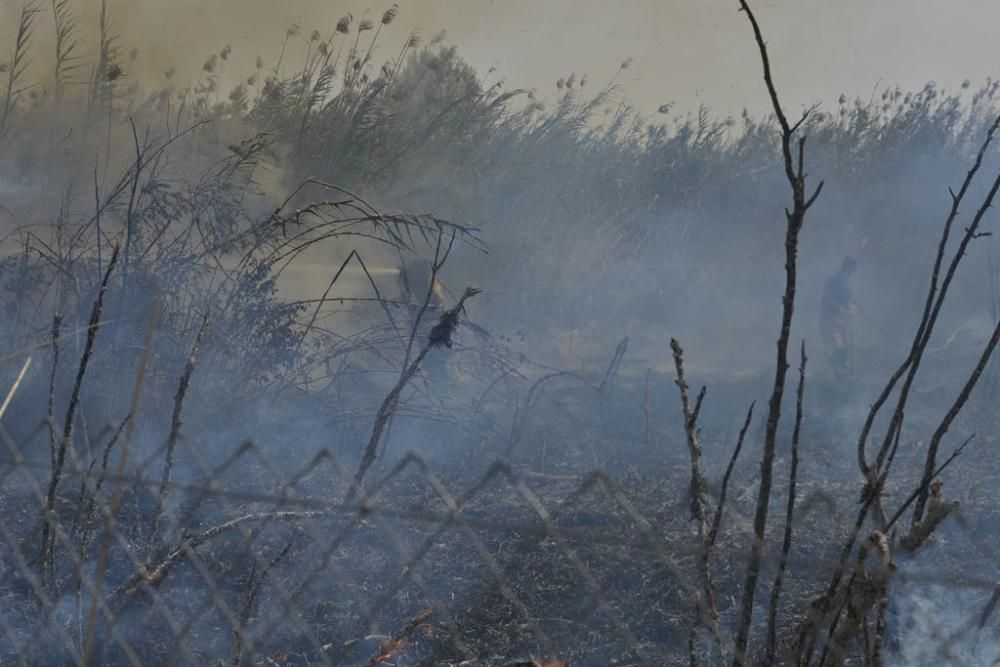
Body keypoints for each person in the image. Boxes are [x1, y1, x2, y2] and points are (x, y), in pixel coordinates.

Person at [819, 256, 858, 377]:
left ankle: (838, 374)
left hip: (836, 320)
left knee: (841, 346)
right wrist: (841, 308)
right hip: (830, 320)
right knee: (837, 347)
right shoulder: (837, 280)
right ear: (848, 267)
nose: (852, 274)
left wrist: (851, 305)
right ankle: (833, 373)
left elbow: (847, 298)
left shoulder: (843, 280)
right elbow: (827, 297)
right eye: (852, 270)